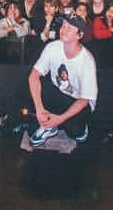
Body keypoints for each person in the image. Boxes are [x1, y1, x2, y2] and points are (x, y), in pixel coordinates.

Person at [27, 15, 98, 147]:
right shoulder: (52, 47)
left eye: (69, 28)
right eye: (63, 25)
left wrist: (60, 119)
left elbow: (85, 99)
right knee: (30, 90)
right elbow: (34, 75)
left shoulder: (87, 60)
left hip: (79, 101)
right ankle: (49, 127)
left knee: (75, 132)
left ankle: (67, 124)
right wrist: (39, 108)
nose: (63, 29)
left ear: (79, 35)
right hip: (58, 92)